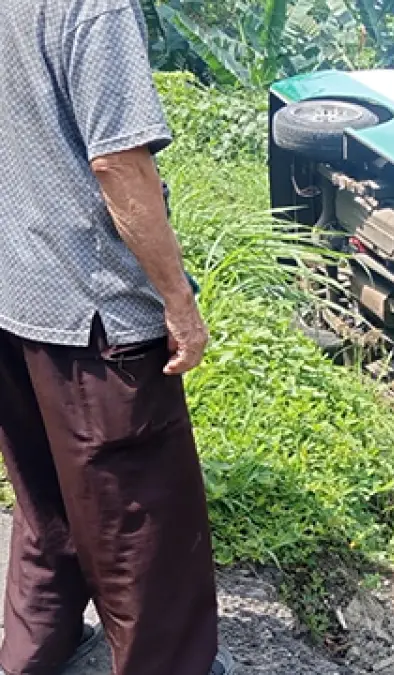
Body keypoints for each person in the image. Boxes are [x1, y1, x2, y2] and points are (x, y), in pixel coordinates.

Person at [0, 1, 233, 673]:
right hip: (92, 313)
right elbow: (118, 164)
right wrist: (178, 300)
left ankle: (34, 650)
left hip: (12, 292)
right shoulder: (95, 7)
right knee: (142, 522)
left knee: (46, 495)